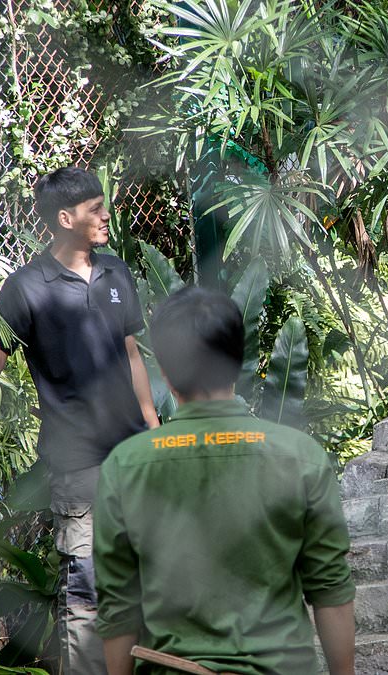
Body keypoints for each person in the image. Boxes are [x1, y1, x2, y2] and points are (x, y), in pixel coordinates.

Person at [93, 286, 357, 675]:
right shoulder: (300, 457)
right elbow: (330, 591)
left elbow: (118, 611)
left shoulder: (125, 466)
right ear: (237, 361)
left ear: (164, 370)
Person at [0, 167, 159, 672]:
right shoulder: (27, 287)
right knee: (88, 591)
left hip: (135, 454)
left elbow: (132, 354)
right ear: (64, 218)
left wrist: (154, 430)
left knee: (148, 576)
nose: (106, 215)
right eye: (96, 208)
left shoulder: (117, 272)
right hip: (78, 464)